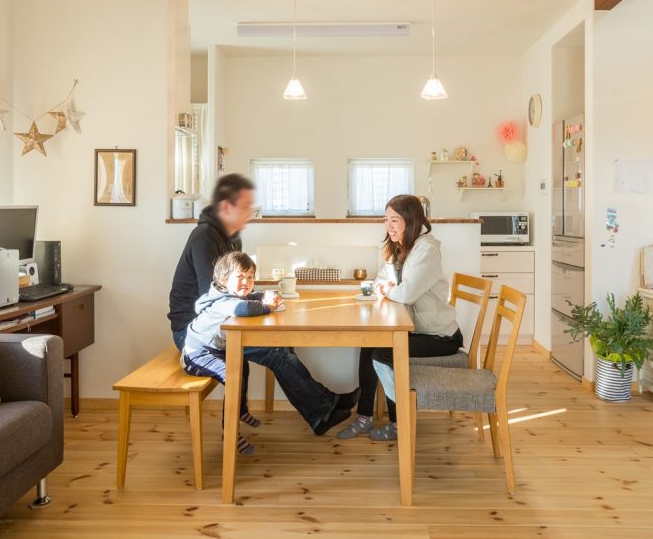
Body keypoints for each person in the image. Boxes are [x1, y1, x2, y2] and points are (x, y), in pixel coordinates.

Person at [184, 251, 359, 453]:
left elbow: (249, 298)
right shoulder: (222, 301)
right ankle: (231, 432)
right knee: (235, 377)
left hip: (224, 345)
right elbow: (244, 309)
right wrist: (267, 307)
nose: (246, 282)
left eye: (250, 277)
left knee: (278, 352)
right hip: (200, 354)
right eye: (239, 277)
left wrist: (262, 296)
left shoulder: (229, 293)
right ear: (223, 279)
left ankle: (322, 412)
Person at [336, 194, 463, 441]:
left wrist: (387, 290)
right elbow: (381, 281)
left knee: (383, 353)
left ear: (411, 220)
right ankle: (364, 417)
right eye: (386, 220)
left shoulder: (427, 250)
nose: (389, 226)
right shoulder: (401, 247)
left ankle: (399, 422)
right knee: (369, 344)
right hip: (418, 329)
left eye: (395, 220)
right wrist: (386, 289)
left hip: (440, 336)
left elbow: (406, 293)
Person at [168, 174, 257, 351]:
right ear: (226, 207)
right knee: (276, 351)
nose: (250, 213)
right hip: (192, 330)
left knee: (278, 349)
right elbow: (211, 297)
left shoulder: (234, 239)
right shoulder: (204, 236)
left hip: (218, 320)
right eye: (245, 207)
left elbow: (235, 290)